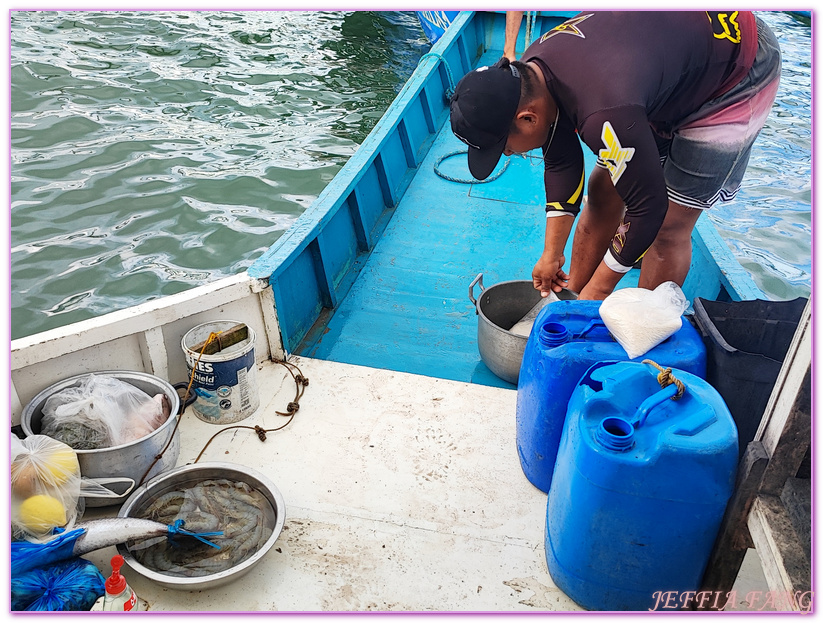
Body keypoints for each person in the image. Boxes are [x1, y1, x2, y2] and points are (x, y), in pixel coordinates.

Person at [449, 11, 780, 300]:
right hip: (661, 72)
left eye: (504, 147)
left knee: (668, 226)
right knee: (604, 189)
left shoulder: (606, 113)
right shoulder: (532, 74)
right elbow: (562, 160)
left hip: (735, 71)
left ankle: (642, 333)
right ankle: (571, 296)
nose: (508, 154)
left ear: (527, 118)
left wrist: (601, 289)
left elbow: (648, 209)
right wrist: (551, 254)